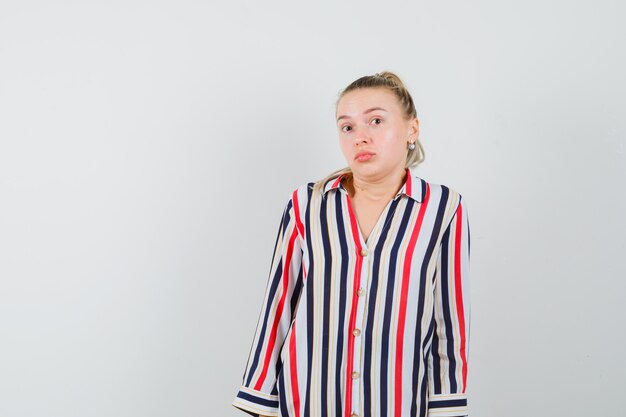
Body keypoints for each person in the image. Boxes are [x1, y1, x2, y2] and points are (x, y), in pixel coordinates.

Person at [231, 71, 471, 417]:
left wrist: (447, 408)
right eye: (348, 127)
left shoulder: (444, 209)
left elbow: (449, 322)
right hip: (308, 402)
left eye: (375, 121)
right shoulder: (306, 204)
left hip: (397, 405)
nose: (361, 137)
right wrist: (261, 401)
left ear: (412, 130)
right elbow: (277, 308)